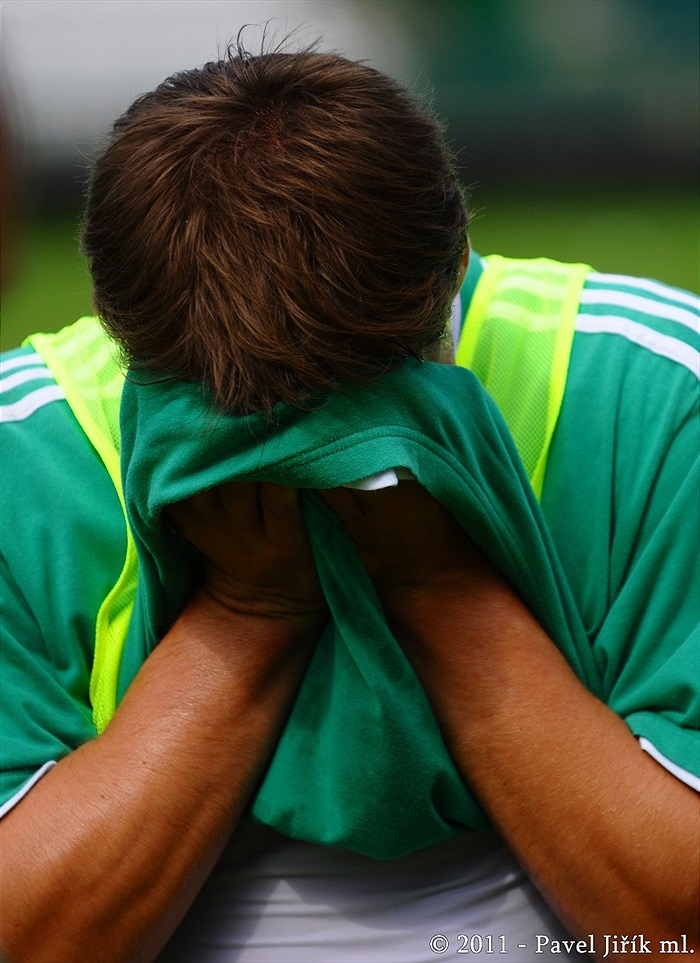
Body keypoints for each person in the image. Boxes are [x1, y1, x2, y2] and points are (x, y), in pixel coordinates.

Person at [0, 41, 697, 963]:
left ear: (454, 268)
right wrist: (253, 607)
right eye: (237, 432)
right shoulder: (23, 457)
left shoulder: (662, 398)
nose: (312, 469)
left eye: (367, 416)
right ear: (112, 320)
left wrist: (440, 584)